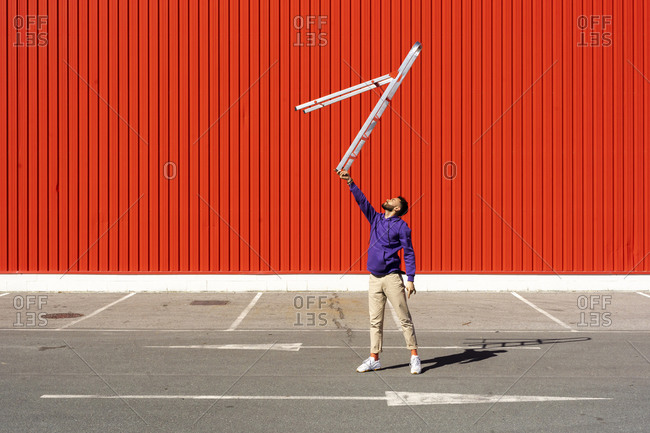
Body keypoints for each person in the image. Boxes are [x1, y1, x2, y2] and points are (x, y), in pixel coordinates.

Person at [338, 170, 421, 374]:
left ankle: (414, 357)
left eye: (392, 199)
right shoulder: (375, 219)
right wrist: (350, 182)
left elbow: (409, 253)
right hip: (374, 278)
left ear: (397, 207)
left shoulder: (402, 227)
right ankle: (374, 358)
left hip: (392, 278)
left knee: (404, 318)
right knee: (375, 321)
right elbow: (362, 201)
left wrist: (410, 279)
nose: (387, 198)